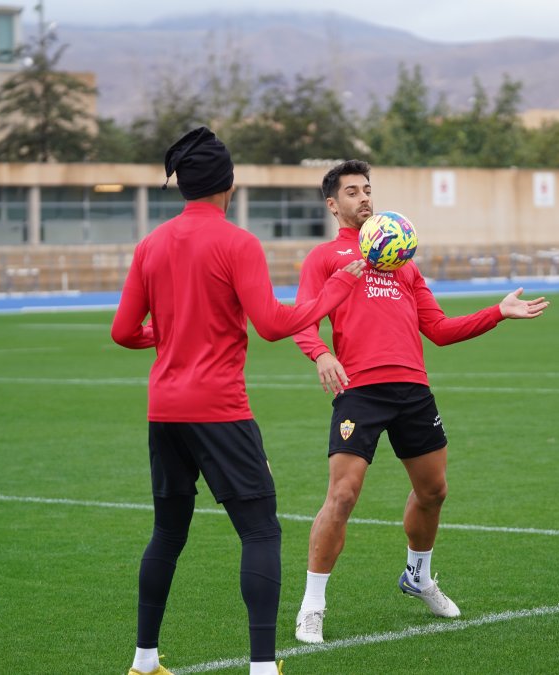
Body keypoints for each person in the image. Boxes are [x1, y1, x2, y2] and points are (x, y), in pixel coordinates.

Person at [111, 127, 365, 675]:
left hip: (164, 410)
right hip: (218, 409)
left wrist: (173, 333)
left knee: (167, 532)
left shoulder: (150, 244)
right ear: (228, 183)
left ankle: (144, 661)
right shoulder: (237, 242)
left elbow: (123, 331)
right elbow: (273, 325)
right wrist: (336, 291)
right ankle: (262, 667)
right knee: (261, 530)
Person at [291, 159, 550, 643]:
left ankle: (418, 575)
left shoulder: (404, 264)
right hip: (359, 391)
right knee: (342, 495)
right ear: (332, 204)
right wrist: (322, 353)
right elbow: (303, 318)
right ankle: (312, 605)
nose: (364, 198)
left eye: (368, 189)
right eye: (351, 192)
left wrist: (499, 311)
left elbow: (439, 330)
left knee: (434, 492)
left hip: (412, 390)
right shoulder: (325, 259)